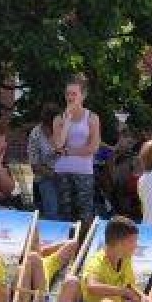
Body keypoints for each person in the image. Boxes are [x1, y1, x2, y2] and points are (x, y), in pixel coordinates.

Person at [51, 76, 101, 221]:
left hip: (84, 172)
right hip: (62, 171)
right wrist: (67, 121)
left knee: (85, 215)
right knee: (65, 214)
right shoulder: (59, 119)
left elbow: (93, 148)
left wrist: (68, 151)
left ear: (83, 96)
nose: (70, 97)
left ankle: (82, 242)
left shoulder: (92, 118)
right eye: (68, 94)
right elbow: (58, 145)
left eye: (74, 94)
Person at [26, 102, 62, 219]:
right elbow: (34, 163)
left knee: (69, 210)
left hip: (66, 174)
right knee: (52, 211)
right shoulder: (35, 134)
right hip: (45, 175)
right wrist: (52, 174)